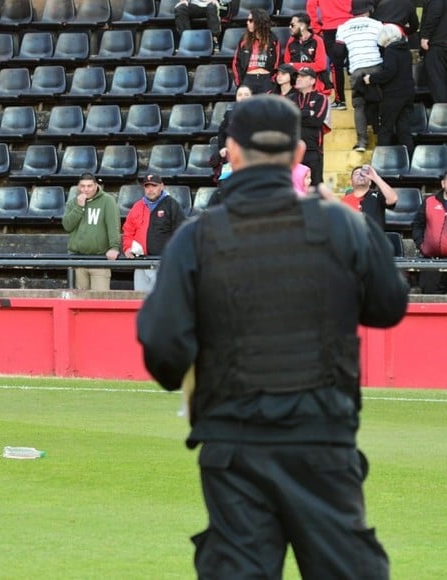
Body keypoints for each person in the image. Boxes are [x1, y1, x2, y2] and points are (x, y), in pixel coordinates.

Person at [137, 94, 408, 580]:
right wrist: (353, 226)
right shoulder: (340, 226)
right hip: (321, 437)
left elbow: (162, 347)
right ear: (299, 155)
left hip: (234, 441)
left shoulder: (198, 237)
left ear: (232, 153)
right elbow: (389, 305)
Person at [122, 174, 186, 293]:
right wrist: (127, 247)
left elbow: (181, 232)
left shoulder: (172, 204)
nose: (150, 190)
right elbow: (128, 230)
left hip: (163, 262)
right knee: (139, 300)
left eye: (154, 186)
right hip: (141, 262)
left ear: (161, 186)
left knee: (162, 300)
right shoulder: (137, 206)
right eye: (147, 186)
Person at [335, 0, 384, 152]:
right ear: (369, 10)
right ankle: (382, 139)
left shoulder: (343, 27)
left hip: (356, 69)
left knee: (359, 105)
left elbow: (337, 53)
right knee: (381, 102)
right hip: (376, 67)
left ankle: (362, 142)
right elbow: (384, 46)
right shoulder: (377, 25)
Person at [62, 172, 121, 291]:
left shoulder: (107, 201)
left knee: (100, 300)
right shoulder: (73, 202)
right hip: (77, 259)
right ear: (78, 187)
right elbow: (67, 226)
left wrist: (114, 247)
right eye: (83, 186)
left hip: (99, 259)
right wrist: (79, 207)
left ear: (96, 186)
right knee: (79, 302)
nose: (86, 189)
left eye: (89, 186)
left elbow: (113, 225)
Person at [363, 23, 415, 154]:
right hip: (408, 93)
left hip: (393, 95)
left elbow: (389, 72)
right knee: (404, 129)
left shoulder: (391, 51)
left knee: (385, 129)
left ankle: (383, 158)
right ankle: (409, 158)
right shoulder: (405, 50)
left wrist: (371, 78)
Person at [306, 0, 353, 109]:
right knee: (358, 62)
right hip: (350, 25)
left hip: (331, 28)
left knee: (336, 66)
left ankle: (340, 100)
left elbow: (310, 7)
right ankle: (365, 103)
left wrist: (316, 28)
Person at [411, 171, 447, 292]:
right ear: (443, 183)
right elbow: (417, 224)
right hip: (432, 261)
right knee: (430, 299)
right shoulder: (429, 201)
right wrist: (422, 245)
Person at [294, 66, 330, 186]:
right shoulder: (290, 98)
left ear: (312, 81)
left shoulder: (321, 98)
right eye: (298, 76)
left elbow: (317, 121)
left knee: (315, 187)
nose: (298, 78)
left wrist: (296, 116)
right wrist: (307, 113)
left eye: (303, 76)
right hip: (293, 150)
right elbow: (286, 120)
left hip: (313, 150)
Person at [232, 9, 281, 94]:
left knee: (266, 106)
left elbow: (278, 62)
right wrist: (239, 83)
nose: (247, 23)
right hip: (248, 78)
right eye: (247, 20)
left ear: (259, 21)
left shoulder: (273, 40)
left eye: (250, 20)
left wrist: (273, 81)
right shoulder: (244, 40)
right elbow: (236, 62)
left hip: (266, 79)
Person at [284, 12, 330, 95]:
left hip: (314, 82)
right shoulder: (291, 41)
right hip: (296, 81)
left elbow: (321, 65)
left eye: (292, 25)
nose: (289, 27)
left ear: (302, 26)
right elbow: (287, 64)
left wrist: (294, 66)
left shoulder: (317, 40)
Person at [341, 164, 398, 229]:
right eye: (357, 174)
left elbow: (393, 199)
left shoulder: (377, 195)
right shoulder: (344, 201)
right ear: (351, 182)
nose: (361, 175)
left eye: (364, 174)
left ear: (370, 182)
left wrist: (376, 177)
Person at [420, 0, 447, 104]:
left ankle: (443, 115)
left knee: (437, 82)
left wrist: (425, 36)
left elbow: (434, 15)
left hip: (438, 44)